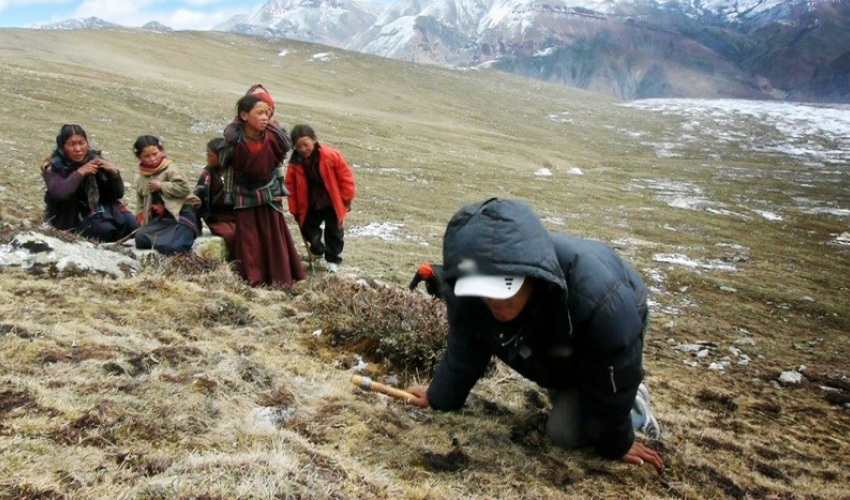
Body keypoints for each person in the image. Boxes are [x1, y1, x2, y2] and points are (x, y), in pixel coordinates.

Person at [406, 198, 664, 472]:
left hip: (611, 329)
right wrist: (440, 397)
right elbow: (467, 344)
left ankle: (635, 405)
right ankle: (575, 390)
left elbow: (615, 364)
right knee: (569, 399)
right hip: (557, 339)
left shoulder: (602, 302)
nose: (494, 300)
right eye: (485, 288)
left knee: (566, 434)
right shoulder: (469, 293)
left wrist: (617, 441)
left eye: (505, 287)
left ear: (531, 275)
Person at [222, 93, 305, 287]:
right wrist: (228, 191)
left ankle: (281, 278)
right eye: (259, 113)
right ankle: (253, 279)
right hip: (244, 192)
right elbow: (227, 168)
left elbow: (277, 161)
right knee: (249, 239)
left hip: (269, 189)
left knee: (273, 235)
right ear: (244, 116)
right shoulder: (234, 142)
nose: (264, 117)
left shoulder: (274, 139)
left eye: (267, 113)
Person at [42, 124, 137, 242]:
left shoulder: (96, 160)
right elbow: (60, 193)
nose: (78, 149)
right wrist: (80, 172)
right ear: (62, 147)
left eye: (81, 143)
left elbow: (118, 194)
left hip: (105, 208)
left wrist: (114, 173)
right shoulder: (54, 167)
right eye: (71, 144)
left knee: (133, 225)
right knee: (105, 231)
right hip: (73, 214)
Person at [285, 124, 355, 274]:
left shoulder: (331, 155)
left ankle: (332, 261)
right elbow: (290, 188)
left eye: (306, 144)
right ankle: (317, 247)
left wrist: (346, 199)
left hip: (332, 201)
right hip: (310, 202)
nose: (304, 149)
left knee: (334, 231)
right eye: (299, 146)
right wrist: (294, 209)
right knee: (307, 228)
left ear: (314, 140)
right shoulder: (294, 164)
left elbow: (346, 178)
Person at [132, 135, 198, 254]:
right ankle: (163, 240)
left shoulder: (171, 170)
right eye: (146, 156)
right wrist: (141, 215)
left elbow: (185, 188)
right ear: (139, 157)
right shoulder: (142, 178)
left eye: (155, 154)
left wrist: (161, 186)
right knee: (140, 238)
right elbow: (140, 200)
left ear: (161, 151)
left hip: (180, 216)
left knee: (173, 247)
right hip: (161, 221)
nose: (152, 159)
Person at [188, 137, 237, 256]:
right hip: (215, 216)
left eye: (210, 155)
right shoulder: (207, 176)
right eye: (207, 154)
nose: (207, 157)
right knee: (231, 235)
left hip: (234, 214)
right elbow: (196, 199)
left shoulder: (234, 172)